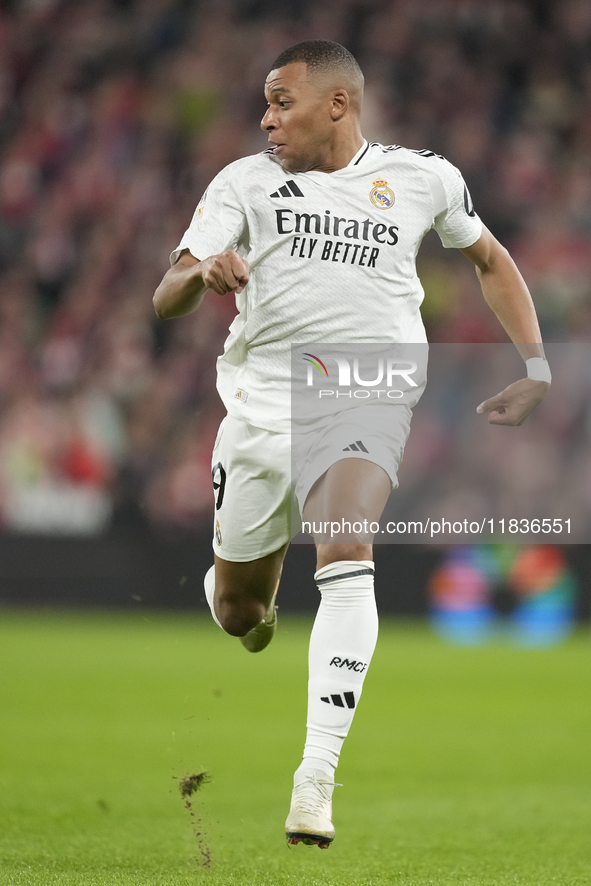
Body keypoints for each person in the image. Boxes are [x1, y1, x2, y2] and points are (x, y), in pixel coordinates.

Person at [153, 40, 550, 849]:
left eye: (280, 100)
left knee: (344, 546)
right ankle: (248, 606)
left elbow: (489, 257)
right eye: (264, 103)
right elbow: (165, 296)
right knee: (238, 612)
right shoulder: (243, 183)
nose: (266, 117)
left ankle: (315, 778)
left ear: (336, 104)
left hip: (364, 387)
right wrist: (202, 274)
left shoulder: (421, 177)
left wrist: (536, 365)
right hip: (260, 407)